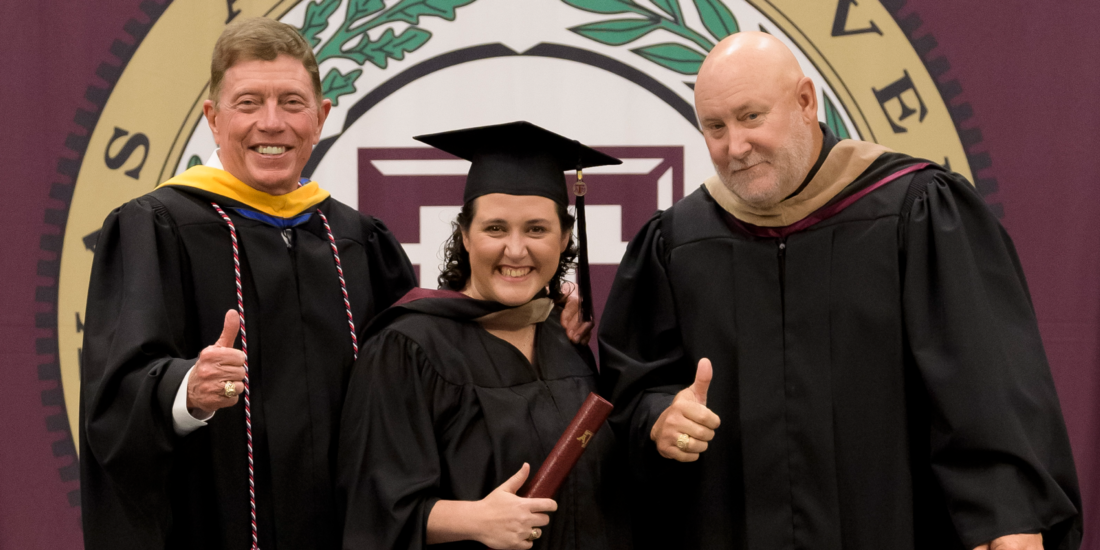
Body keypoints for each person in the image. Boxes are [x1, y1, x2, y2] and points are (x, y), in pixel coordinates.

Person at [598, 32, 1082, 550]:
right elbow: (634, 388)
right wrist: (659, 418)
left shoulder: (912, 211)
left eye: (752, 117)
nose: (735, 146)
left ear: (806, 101)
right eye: (715, 127)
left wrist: (1005, 514)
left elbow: (984, 385)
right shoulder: (678, 243)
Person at [76, 17, 421, 550]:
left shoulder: (357, 240)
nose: (271, 122)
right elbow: (114, 398)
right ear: (214, 119)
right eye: (248, 103)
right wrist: (185, 391)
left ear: (322, 116)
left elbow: (421, 373)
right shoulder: (157, 227)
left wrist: (531, 325)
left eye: (291, 102)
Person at [338, 121, 629, 550]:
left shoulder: (566, 339)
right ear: (465, 236)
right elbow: (372, 508)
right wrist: (473, 520)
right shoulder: (408, 348)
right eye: (495, 229)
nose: (515, 249)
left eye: (536, 229)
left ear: (565, 237)